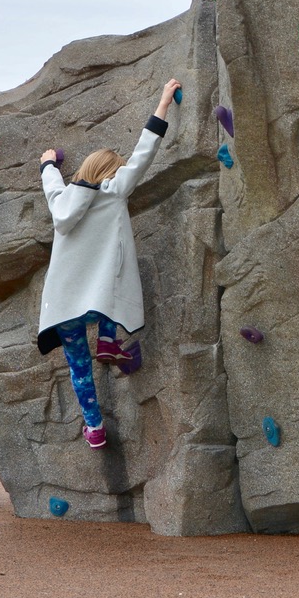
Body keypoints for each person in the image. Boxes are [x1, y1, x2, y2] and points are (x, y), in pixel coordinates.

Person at [35, 78, 182, 448]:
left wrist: (48, 163)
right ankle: (107, 339)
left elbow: (51, 184)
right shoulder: (115, 192)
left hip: (64, 302)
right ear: (112, 173)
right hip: (96, 300)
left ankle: (95, 428)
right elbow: (144, 150)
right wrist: (163, 101)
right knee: (106, 286)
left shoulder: (63, 199)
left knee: (78, 367)